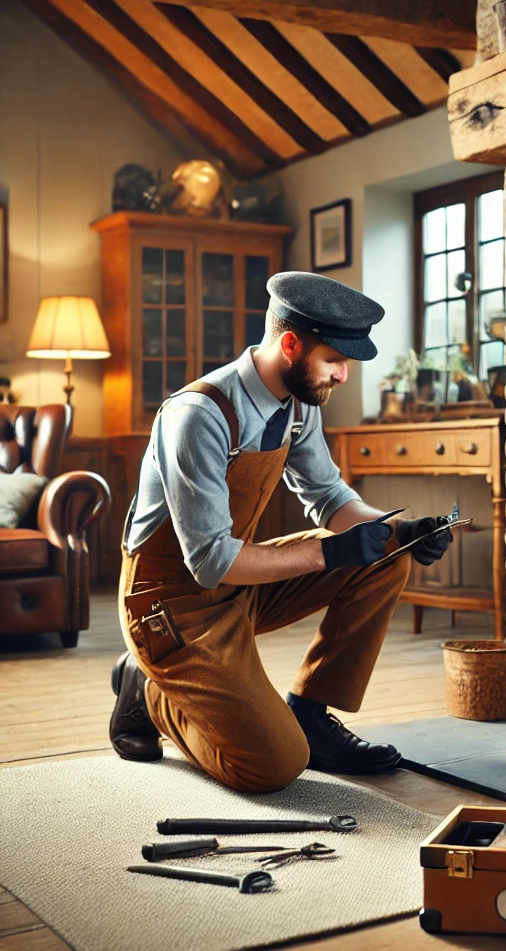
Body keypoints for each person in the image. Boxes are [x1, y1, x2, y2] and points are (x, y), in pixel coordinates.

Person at [109, 271, 452, 793]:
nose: (343, 375)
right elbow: (209, 563)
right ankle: (151, 693)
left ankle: (311, 714)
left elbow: (331, 499)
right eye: (334, 360)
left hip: (235, 586)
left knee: (386, 553)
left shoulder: (298, 406)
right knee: (273, 766)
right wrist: (328, 554)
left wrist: (401, 530)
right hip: (170, 606)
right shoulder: (198, 415)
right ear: (290, 344)